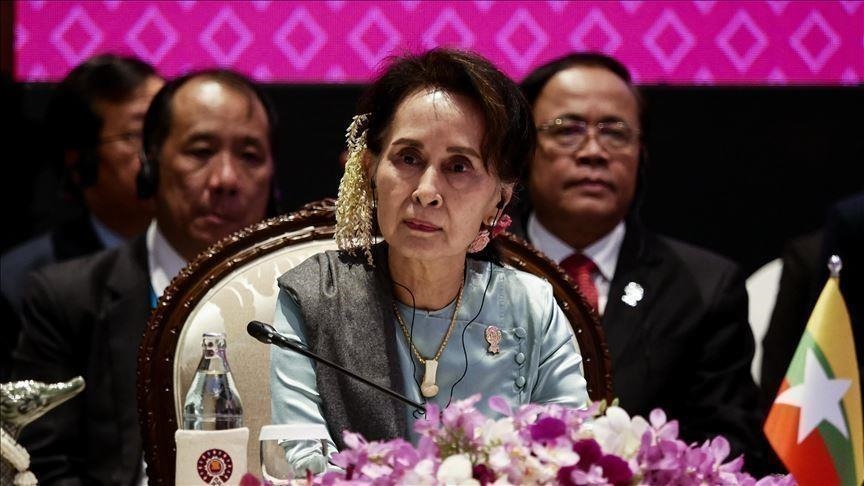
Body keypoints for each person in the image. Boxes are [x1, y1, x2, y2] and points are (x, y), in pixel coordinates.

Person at [269, 48, 588, 473]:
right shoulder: (313, 299)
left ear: (498, 198)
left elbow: (569, 457)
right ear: (370, 169)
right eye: (408, 158)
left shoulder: (532, 308)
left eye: (458, 166)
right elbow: (305, 465)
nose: (426, 191)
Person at [10, 69, 278, 484]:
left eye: (250, 156)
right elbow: (41, 466)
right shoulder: (69, 299)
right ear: (150, 164)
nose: (225, 179)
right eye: (200, 151)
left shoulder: (305, 298)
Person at [509, 52, 769, 468]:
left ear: (640, 154)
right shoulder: (472, 268)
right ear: (524, 150)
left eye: (615, 133)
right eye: (567, 130)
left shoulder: (704, 287)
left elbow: (730, 447)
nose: (593, 151)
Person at [0, 54, 163, 380]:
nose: (160, 152)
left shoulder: (210, 254)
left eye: (168, 131)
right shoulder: (20, 281)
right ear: (79, 164)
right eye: (137, 135)